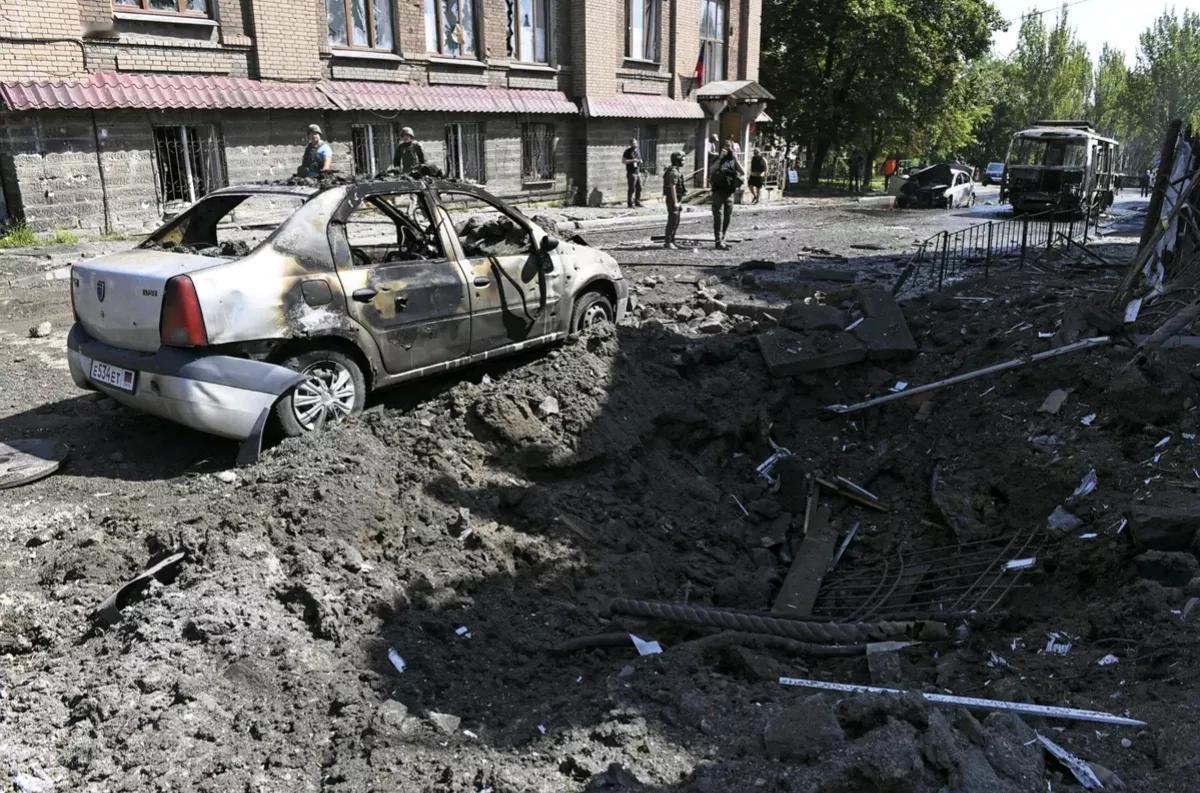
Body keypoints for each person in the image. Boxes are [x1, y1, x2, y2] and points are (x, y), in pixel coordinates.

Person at [708, 141, 744, 250]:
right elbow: (711, 170)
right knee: (718, 216)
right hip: (718, 191)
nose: (728, 149)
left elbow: (742, 172)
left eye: (730, 147)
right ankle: (718, 241)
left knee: (728, 216)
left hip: (729, 192)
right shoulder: (717, 158)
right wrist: (720, 158)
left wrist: (736, 159)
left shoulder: (733, 160)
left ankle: (723, 239)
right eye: (726, 146)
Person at [662, 151, 687, 249]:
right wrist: (676, 202)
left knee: (676, 220)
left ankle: (672, 240)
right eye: (682, 160)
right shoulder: (673, 172)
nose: (684, 161)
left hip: (676, 199)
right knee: (672, 221)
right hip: (672, 199)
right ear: (677, 161)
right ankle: (668, 242)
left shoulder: (676, 170)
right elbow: (672, 187)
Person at [622, 138, 644, 207]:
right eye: (634, 143)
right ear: (630, 144)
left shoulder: (637, 150)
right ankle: (630, 203)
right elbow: (623, 161)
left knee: (639, 188)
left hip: (638, 172)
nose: (635, 144)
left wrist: (640, 161)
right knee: (632, 189)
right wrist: (633, 160)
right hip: (631, 173)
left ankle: (637, 202)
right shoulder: (627, 151)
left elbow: (639, 158)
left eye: (636, 143)